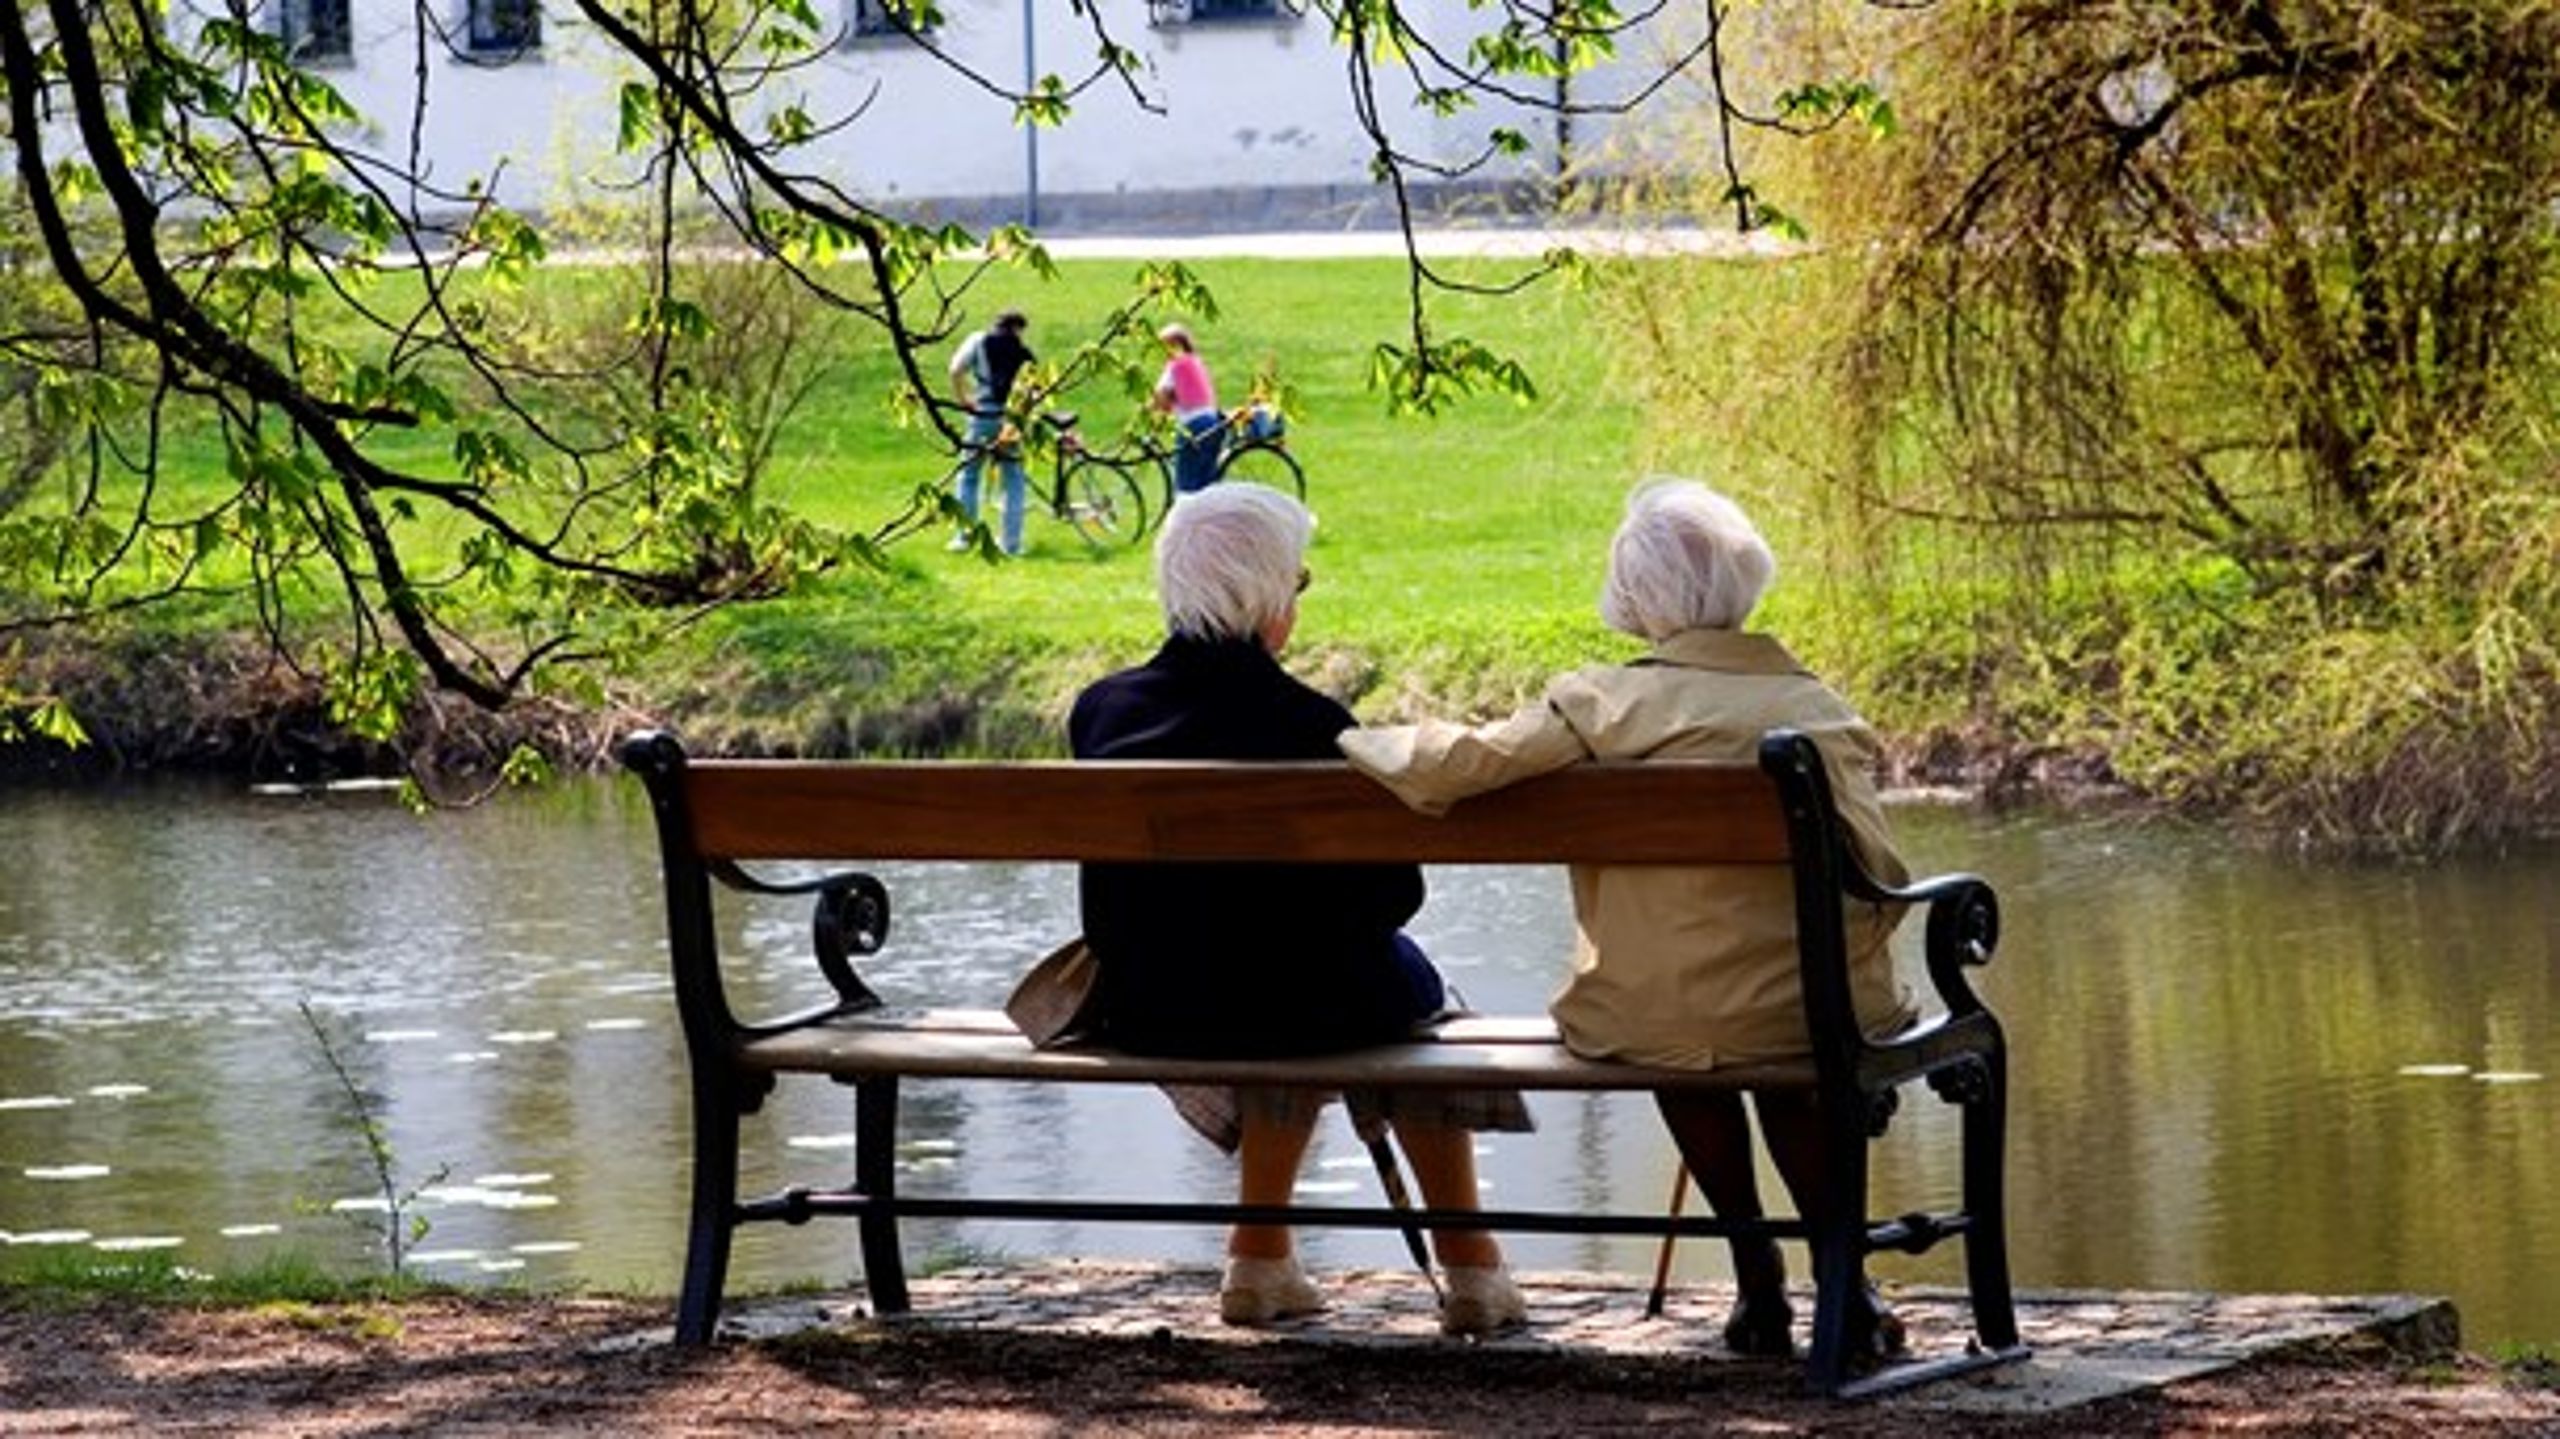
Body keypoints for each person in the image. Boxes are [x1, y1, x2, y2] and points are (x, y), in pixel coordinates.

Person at [1337, 477, 1917, 1364]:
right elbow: (1882, 873)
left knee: (1680, 1030)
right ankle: (1846, 1280)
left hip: (1648, 1011)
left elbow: (1463, 763)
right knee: (1786, 1043)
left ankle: (1753, 1264)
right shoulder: (1818, 711)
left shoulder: (1605, 703)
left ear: (1638, 598)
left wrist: (1345, 740)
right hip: (1805, 1013)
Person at [1068, 482, 1529, 1336]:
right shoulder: (1313, 723)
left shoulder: (1102, 709)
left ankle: (1262, 1259)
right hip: (1299, 1003)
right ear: (1269, 597)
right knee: (1418, 1012)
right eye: (1299, 584)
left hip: (1149, 1002)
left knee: (1285, 987)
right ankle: (1471, 1272)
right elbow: (1396, 895)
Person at [947, 309, 1034, 555]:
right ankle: (1011, 543)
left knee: (969, 475)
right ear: (1019, 329)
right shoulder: (1023, 353)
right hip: (1009, 420)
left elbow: (955, 369)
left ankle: (964, 537)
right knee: (1013, 480)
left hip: (981, 415)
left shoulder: (978, 340)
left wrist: (963, 398)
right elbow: (1033, 390)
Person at [1151, 322, 1223, 496]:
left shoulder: (1176, 366)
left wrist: (1150, 412)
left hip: (1193, 427)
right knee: (1206, 483)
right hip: (1214, 422)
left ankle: (1185, 520)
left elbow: (1161, 397)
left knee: (1185, 485)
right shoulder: (1196, 363)